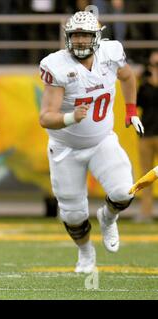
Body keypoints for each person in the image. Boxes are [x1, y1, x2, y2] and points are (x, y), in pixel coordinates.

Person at [39, 11, 144, 273]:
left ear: (97, 37)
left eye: (86, 35)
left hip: (102, 141)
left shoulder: (111, 54)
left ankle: (108, 218)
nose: (81, 41)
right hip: (65, 149)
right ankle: (85, 253)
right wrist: (70, 117)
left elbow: (128, 77)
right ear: (68, 38)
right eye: (76, 36)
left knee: (123, 191)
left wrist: (131, 110)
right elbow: (45, 118)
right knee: (73, 215)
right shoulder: (58, 66)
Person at [130, 51, 158, 222]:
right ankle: (146, 212)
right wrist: (141, 82)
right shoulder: (145, 84)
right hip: (147, 134)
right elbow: (137, 102)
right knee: (146, 176)